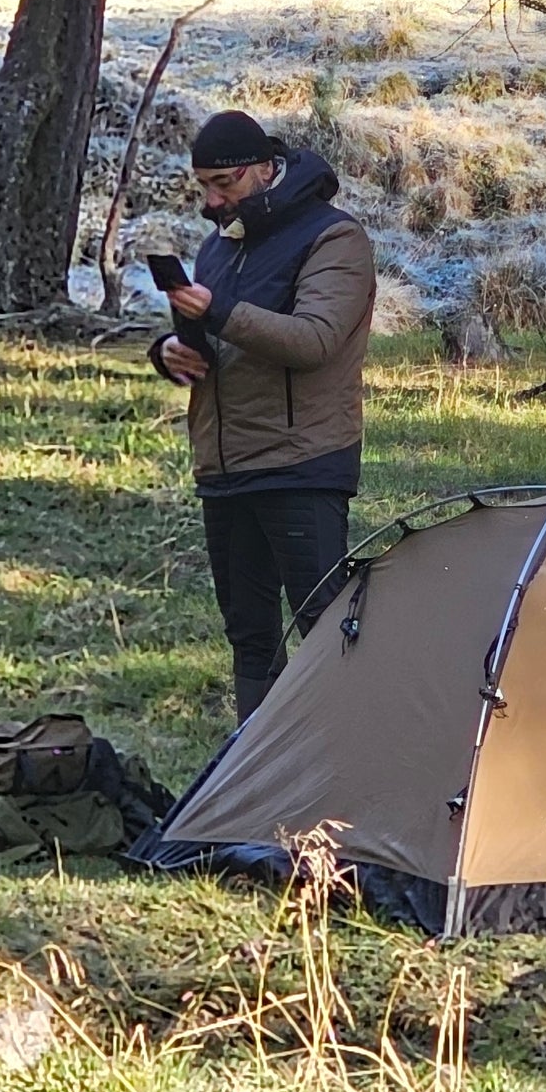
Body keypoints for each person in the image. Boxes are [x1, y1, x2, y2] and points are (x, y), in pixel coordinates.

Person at [152, 109, 376, 723]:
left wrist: (218, 311)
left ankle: (348, 759)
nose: (212, 200)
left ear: (265, 169)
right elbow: (213, 342)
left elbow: (314, 341)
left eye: (224, 183)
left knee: (326, 629)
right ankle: (255, 775)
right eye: (203, 186)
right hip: (225, 469)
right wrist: (171, 352)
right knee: (249, 638)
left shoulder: (334, 238)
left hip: (302, 463)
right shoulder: (216, 249)